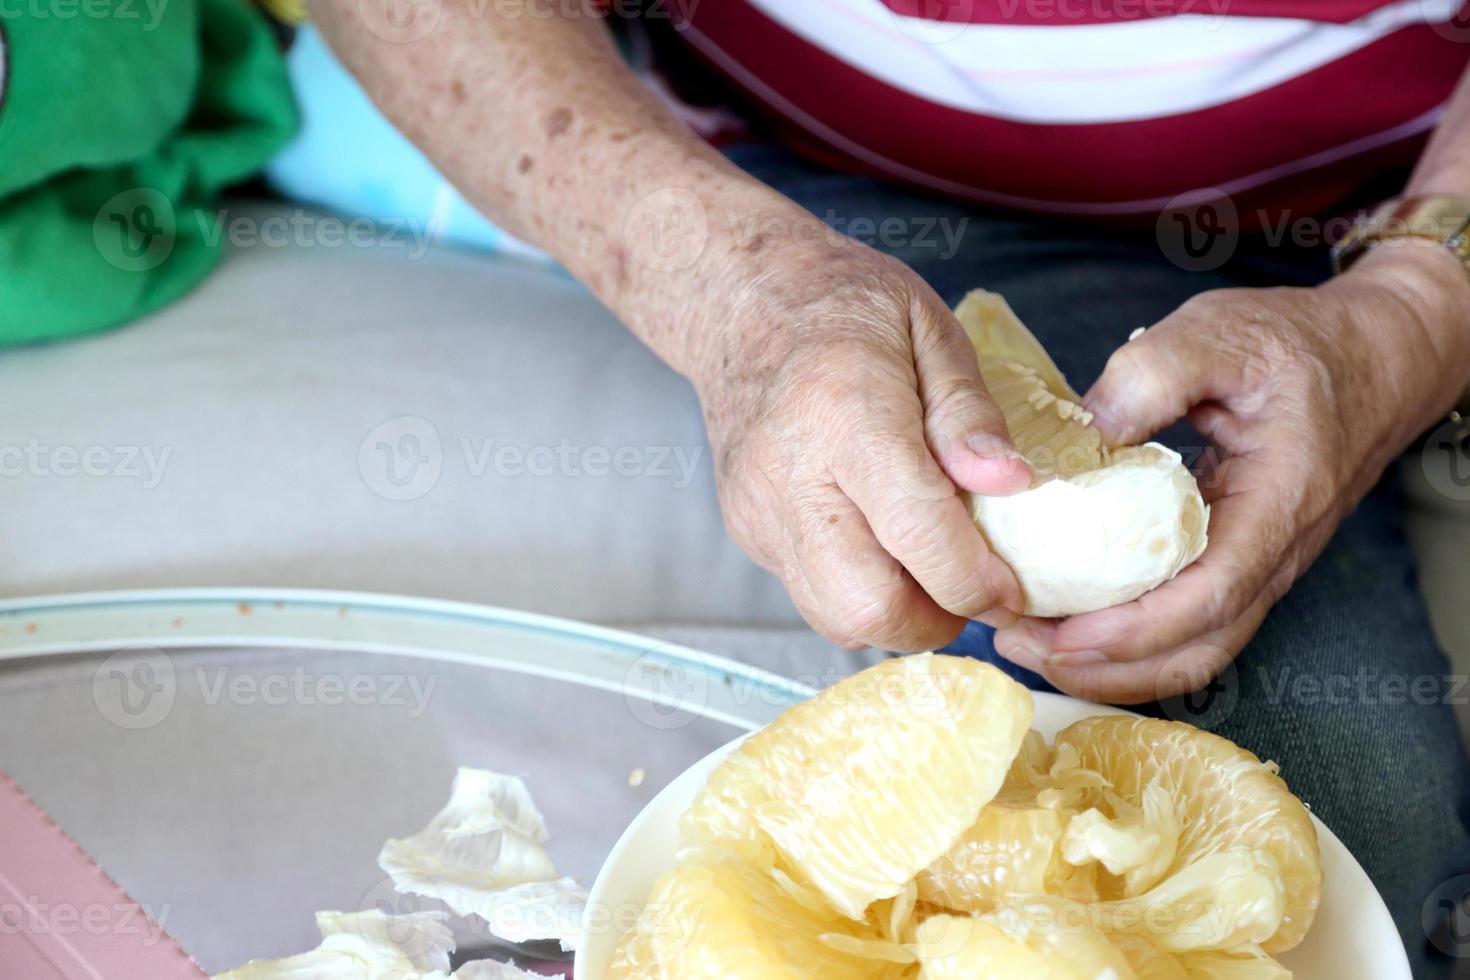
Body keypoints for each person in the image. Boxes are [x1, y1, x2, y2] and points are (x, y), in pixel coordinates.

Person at [310, 1, 1470, 972]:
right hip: (794, 194)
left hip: (1368, 219)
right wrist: (725, 285)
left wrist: (1416, 310)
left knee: (1340, 872)